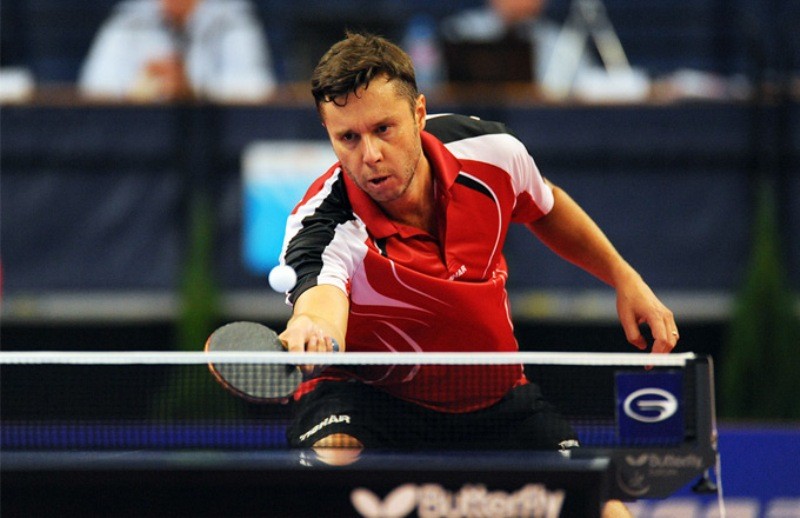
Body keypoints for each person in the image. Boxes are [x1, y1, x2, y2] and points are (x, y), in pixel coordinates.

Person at [276, 31, 676, 516]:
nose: (371, 154)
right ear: (328, 134)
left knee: (606, 509)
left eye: (384, 128)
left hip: (494, 396)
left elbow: (546, 206)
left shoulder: (491, 151)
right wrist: (312, 326)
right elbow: (321, 297)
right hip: (372, 397)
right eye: (349, 138)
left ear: (419, 114)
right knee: (333, 458)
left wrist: (623, 277)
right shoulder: (322, 223)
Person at [78, 0, 276, 102]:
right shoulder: (129, 21)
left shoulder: (232, 19)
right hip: (141, 151)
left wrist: (192, 91)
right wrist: (138, 90)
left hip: (215, 152)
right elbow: (93, 91)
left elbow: (259, 92)